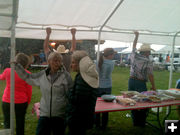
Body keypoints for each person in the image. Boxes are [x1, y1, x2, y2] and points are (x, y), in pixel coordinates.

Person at [14, 52, 73, 135]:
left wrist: (68, 111)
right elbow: (28, 77)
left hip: (60, 115)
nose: (57, 63)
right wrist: (17, 67)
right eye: (55, 60)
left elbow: (70, 94)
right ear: (49, 61)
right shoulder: (42, 75)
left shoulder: (66, 76)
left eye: (59, 61)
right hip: (44, 113)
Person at [66, 50, 99, 135]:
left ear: (80, 64)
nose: (71, 65)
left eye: (73, 62)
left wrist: (68, 92)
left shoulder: (82, 78)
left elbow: (78, 100)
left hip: (78, 118)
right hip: (85, 116)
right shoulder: (88, 75)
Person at [128, 31, 156, 127]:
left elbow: (134, 46)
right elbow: (150, 75)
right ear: (146, 52)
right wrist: (153, 86)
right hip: (140, 83)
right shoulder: (148, 61)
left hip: (131, 81)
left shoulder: (134, 55)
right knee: (143, 101)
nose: (149, 53)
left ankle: (135, 121)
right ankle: (141, 122)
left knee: (132, 100)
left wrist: (136, 36)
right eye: (149, 51)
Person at [0, 53, 32, 135]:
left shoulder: (7, 71)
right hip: (21, 102)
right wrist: (27, 102)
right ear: (26, 63)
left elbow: (1, 77)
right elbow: (29, 91)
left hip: (7, 101)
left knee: (7, 122)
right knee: (20, 123)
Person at [95, 48, 115, 129]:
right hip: (107, 86)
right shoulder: (111, 63)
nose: (114, 56)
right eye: (113, 54)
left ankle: (97, 123)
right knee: (106, 106)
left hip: (98, 86)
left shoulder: (97, 62)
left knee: (97, 105)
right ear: (110, 55)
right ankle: (104, 124)